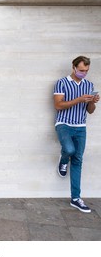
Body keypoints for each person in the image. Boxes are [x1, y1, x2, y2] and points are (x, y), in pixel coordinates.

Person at [54, 56, 99, 213]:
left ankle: (75, 198)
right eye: (81, 70)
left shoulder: (89, 85)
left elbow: (90, 111)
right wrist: (79, 99)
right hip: (64, 124)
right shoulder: (62, 83)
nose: (83, 73)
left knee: (78, 160)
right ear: (73, 67)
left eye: (86, 71)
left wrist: (92, 101)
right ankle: (63, 158)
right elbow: (58, 105)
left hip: (81, 127)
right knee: (69, 150)